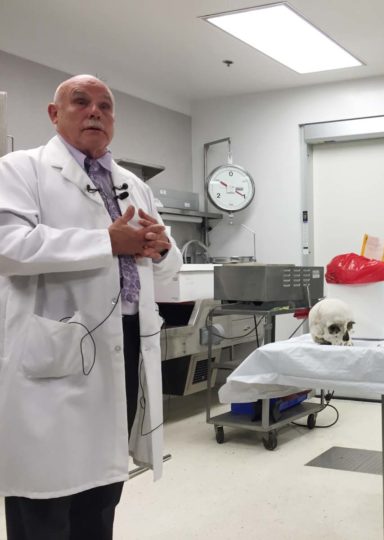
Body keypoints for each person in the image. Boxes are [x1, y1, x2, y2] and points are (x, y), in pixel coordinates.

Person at [0, 74, 182, 539]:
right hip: (54, 350)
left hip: (120, 348)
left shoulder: (132, 186)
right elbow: (9, 248)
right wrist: (107, 241)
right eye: (81, 102)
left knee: (101, 496)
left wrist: (161, 250)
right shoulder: (21, 169)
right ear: (54, 113)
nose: (95, 111)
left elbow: (165, 268)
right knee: (44, 498)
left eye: (105, 105)